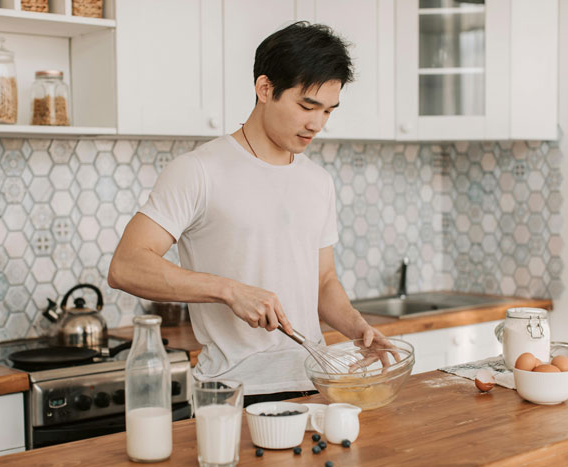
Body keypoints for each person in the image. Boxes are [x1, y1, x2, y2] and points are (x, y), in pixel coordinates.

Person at [108, 21, 391, 405]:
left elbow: (324, 282)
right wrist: (229, 291)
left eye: (328, 110)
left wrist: (358, 328)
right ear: (264, 89)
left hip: (314, 385)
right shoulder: (199, 170)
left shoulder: (318, 181)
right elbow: (125, 266)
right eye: (307, 106)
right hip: (233, 394)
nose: (317, 124)